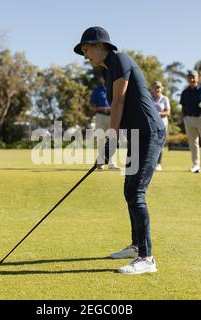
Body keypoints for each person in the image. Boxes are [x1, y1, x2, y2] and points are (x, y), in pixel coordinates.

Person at [74, 26, 166, 275]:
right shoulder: (108, 70)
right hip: (137, 135)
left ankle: (147, 258)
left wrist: (109, 145)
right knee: (129, 190)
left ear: (101, 45)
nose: (86, 56)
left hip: (150, 133)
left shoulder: (120, 60)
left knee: (136, 193)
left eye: (87, 49)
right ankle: (137, 246)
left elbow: (118, 103)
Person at [90, 73, 119, 170]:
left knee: (112, 139)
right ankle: (101, 162)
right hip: (101, 116)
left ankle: (112, 163)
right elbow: (92, 106)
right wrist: (102, 108)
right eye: (104, 77)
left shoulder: (115, 89)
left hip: (113, 116)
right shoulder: (97, 91)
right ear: (101, 79)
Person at [151, 81, 170, 172]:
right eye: (155, 87)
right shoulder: (149, 98)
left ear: (161, 89)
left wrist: (157, 113)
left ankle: (158, 164)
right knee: (151, 144)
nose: (157, 89)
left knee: (159, 144)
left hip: (162, 125)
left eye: (158, 87)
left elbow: (167, 112)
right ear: (152, 89)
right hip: (151, 125)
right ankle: (151, 163)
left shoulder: (164, 99)